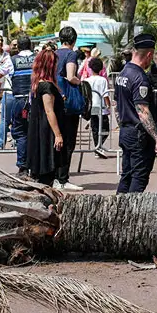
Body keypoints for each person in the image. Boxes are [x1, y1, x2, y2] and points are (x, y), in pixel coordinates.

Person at [114, 33, 157, 192]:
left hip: (126, 131)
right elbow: (142, 111)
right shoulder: (140, 77)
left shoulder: (123, 73)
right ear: (149, 55)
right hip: (139, 135)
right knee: (139, 178)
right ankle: (131, 208)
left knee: (127, 175)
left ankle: (118, 206)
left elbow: (117, 105)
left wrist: (123, 125)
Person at [24, 49, 67, 186]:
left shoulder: (38, 83)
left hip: (39, 128)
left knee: (42, 169)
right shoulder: (46, 86)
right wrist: (58, 135)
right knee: (47, 167)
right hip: (47, 131)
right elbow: (49, 111)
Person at [0, 35, 36, 169]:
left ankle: (22, 166)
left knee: (21, 133)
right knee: (36, 132)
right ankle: (36, 165)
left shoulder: (11, 60)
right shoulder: (38, 58)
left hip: (20, 101)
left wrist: (0, 65)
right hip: (36, 100)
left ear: (18, 47)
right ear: (30, 45)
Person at [54, 26, 85, 192]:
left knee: (56, 138)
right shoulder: (71, 54)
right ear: (74, 40)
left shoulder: (54, 54)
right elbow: (71, 76)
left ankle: (54, 176)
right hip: (68, 102)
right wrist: (81, 83)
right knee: (68, 141)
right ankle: (63, 178)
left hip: (54, 99)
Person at [83, 56, 113, 157]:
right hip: (101, 107)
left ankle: (97, 147)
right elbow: (105, 95)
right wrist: (108, 105)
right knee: (105, 129)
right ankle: (99, 147)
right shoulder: (103, 80)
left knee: (95, 129)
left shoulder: (87, 80)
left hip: (91, 107)